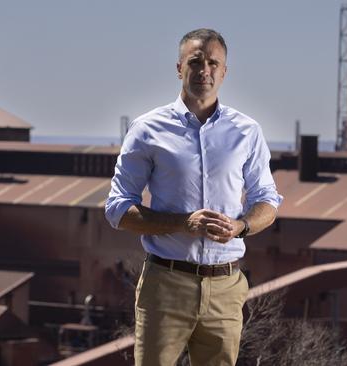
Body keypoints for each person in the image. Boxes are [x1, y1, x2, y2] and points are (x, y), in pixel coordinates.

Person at [105, 28, 283, 366]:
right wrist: (183, 223)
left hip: (226, 287)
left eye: (213, 63)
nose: (205, 71)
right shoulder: (147, 129)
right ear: (179, 68)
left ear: (224, 71)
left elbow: (267, 200)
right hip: (165, 285)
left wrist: (240, 226)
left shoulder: (247, 131)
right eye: (195, 62)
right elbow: (117, 208)